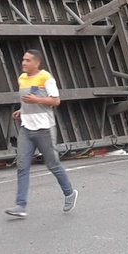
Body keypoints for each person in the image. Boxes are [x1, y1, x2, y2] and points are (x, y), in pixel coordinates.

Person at [5, 49, 78, 218]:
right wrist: (21, 111)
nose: (23, 62)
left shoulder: (46, 78)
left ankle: (69, 193)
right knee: (22, 166)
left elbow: (55, 100)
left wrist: (36, 100)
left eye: (28, 60)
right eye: (23, 59)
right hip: (26, 129)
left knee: (53, 164)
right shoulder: (22, 78)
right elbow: (28, 100)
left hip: (44, 128)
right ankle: (20, 205)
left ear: (36, 63)